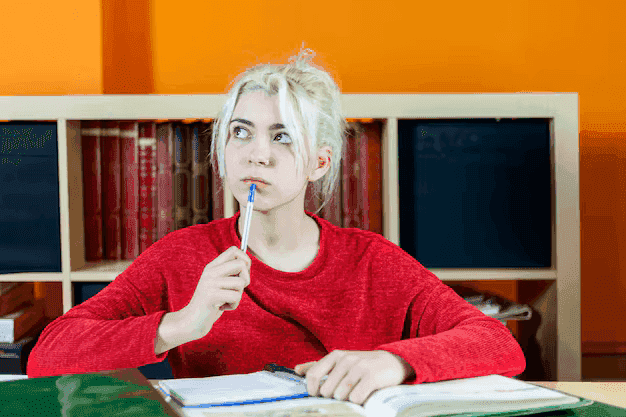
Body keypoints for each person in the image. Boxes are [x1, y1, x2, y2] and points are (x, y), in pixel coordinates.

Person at [27, 46, 525, 405]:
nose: (257, 155)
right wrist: (181, 324)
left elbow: (497, 342)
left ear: (319, 163)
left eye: (282, 137)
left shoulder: (373, 261)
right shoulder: (181, 256)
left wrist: (393, 362)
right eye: (241, 132)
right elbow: (47, 354)